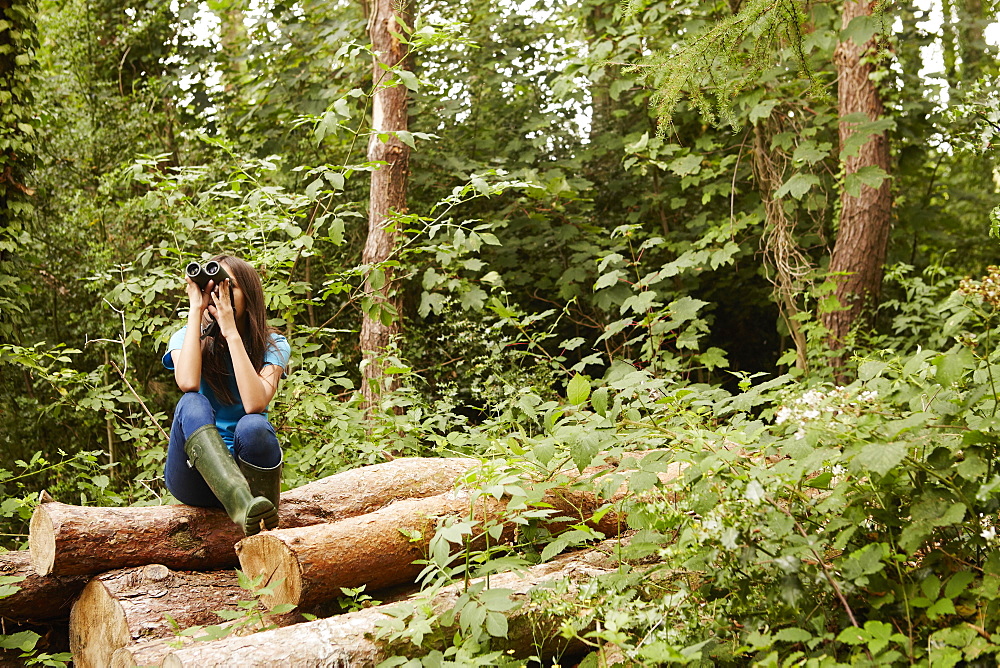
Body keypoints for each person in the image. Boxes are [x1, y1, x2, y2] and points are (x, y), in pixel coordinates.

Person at [162, 255, 291, 536]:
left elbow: (255, 403)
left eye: (227, 287)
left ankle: (254, 511)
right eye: (211, 289)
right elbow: (187, 382)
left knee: (254, 424)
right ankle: (240, 503)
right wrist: (196, 310)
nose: (218, 295)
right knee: (192, 402)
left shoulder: (274, 344)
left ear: (249, 294)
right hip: (194, 476)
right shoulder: (184, 337)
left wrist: (231, 331)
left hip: (251, 476)